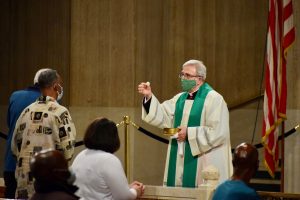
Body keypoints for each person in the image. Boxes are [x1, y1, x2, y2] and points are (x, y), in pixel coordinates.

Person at [138, 59, 232, 187]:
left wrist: (189, 133)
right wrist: (149, 97)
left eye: (187, 75)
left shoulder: (214, 99)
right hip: (179, 157)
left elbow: (219, 132)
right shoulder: (179, 99)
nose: (183, 78)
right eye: (182, 74)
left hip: (203, 161)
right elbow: (162, 115)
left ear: (200, 78)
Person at [11, 69, 76, 199]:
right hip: (49, 184)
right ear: (56, 86)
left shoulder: (26, 111)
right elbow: (67, 151)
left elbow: (14, 148)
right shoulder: (60, 112)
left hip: (24, 180)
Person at [72, 117, 145, 200]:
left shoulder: (80, 155)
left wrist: (127, 188)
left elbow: (99, 188)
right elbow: (124, 197)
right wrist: (135, 191)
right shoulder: (109, 160)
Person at [3, 68, 48, 198]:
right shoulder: (52, 102)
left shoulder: (15, 96)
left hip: (11, 164)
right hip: (38, 168)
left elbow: (9, 123)